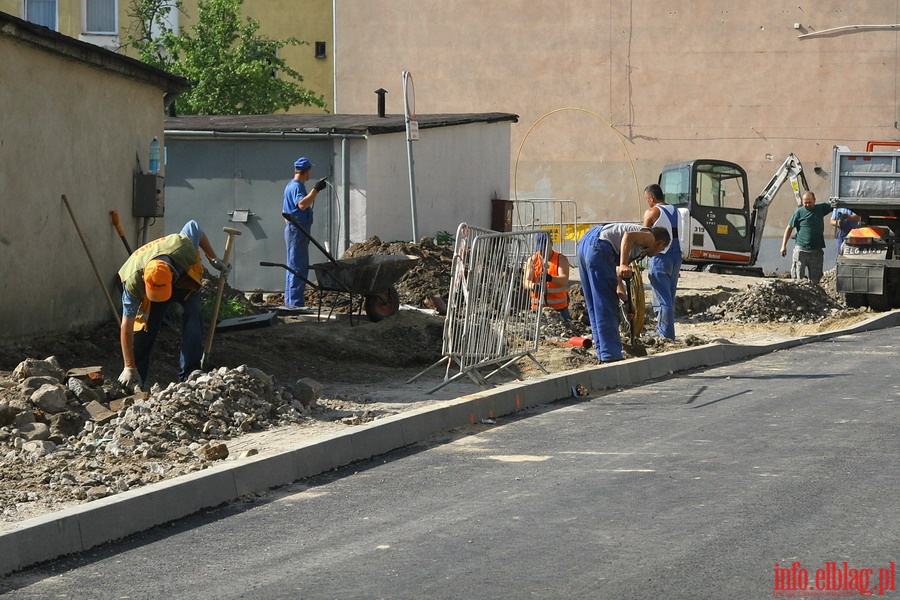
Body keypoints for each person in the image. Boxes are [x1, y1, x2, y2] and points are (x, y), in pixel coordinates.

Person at [117, 220, 229, 392]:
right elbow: (126, 326)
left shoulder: (183, 247)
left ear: (171, 274)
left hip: (183, 282)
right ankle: (135, 380)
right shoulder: (133, 281)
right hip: (152, 288)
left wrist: (212, 258)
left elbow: (194, 226)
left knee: (193, 314)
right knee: (145, 330)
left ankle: (191, 374)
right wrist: (128, 366)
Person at [576, 224, 670, 363]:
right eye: (662, 249)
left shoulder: (632, 247)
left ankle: (603, 353)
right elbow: (629, 236)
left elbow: (615, 275)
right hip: (599, 246)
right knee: (606, 306)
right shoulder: (650, 237)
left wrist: (626, 301)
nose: (658, 253)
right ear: (660, 243)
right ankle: (611, 356)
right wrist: (624, 264)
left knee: (596, 306)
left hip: (586, 245)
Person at [283, 157, 327, 308]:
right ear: (306, 171)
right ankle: (295, 303)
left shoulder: (290, 185)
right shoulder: (297, 187)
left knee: (293, 265)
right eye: (310, 170)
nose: (311, 173)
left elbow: (284, 211)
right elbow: (302, 205)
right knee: (298, 266)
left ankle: (291, 301)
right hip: (298, 230)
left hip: (295, 229)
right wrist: (316, 189)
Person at [641, 183, 681, 339]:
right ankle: (665, 331)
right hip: (676, 256)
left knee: (661, 298)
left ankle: (665, 334)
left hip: (660, 256)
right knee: (669, 297)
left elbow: (643, 236)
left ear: (651, 198)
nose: (647, 202)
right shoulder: (675, 210)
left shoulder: (652, 212)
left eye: (646, 199)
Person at [779, 191, 831, 284]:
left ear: (814, 200)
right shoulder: (799, 212)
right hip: (801, 251)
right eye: (805, 202)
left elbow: (835, 203)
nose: (807, 204)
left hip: (816, 251)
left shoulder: (821, 209)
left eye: (809, 202)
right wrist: (783, 245)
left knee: (815, 281)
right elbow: (789, 228)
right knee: (798, 280)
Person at [522, 231, 571, 319]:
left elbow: (564, 280)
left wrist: (550, 278)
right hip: (537, 309)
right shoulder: (532, 260)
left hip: (559, 309)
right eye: (541, 249)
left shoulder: (561, 259)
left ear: (551, 244)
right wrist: (533, 286)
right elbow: (526, 282)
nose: (543, 251)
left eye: (545, 248)